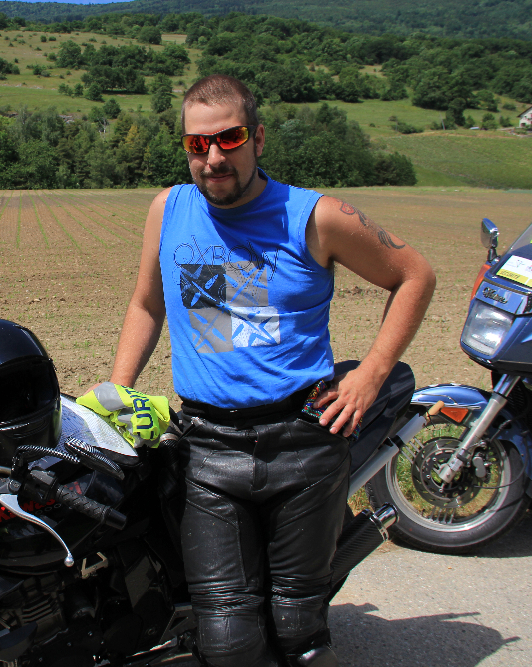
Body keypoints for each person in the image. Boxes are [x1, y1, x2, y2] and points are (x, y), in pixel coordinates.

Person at [107, 74, 436, 667]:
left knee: (297, 631)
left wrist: (371, 374)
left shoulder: (317, 216)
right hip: (208, 451)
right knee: (227, 642)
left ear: (258, 138)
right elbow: (147, 304)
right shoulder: (169, 210)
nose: (213, 157)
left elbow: (414, 275)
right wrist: (117, 391)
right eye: (197, 143)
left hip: (304, 447)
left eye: (229, 138)